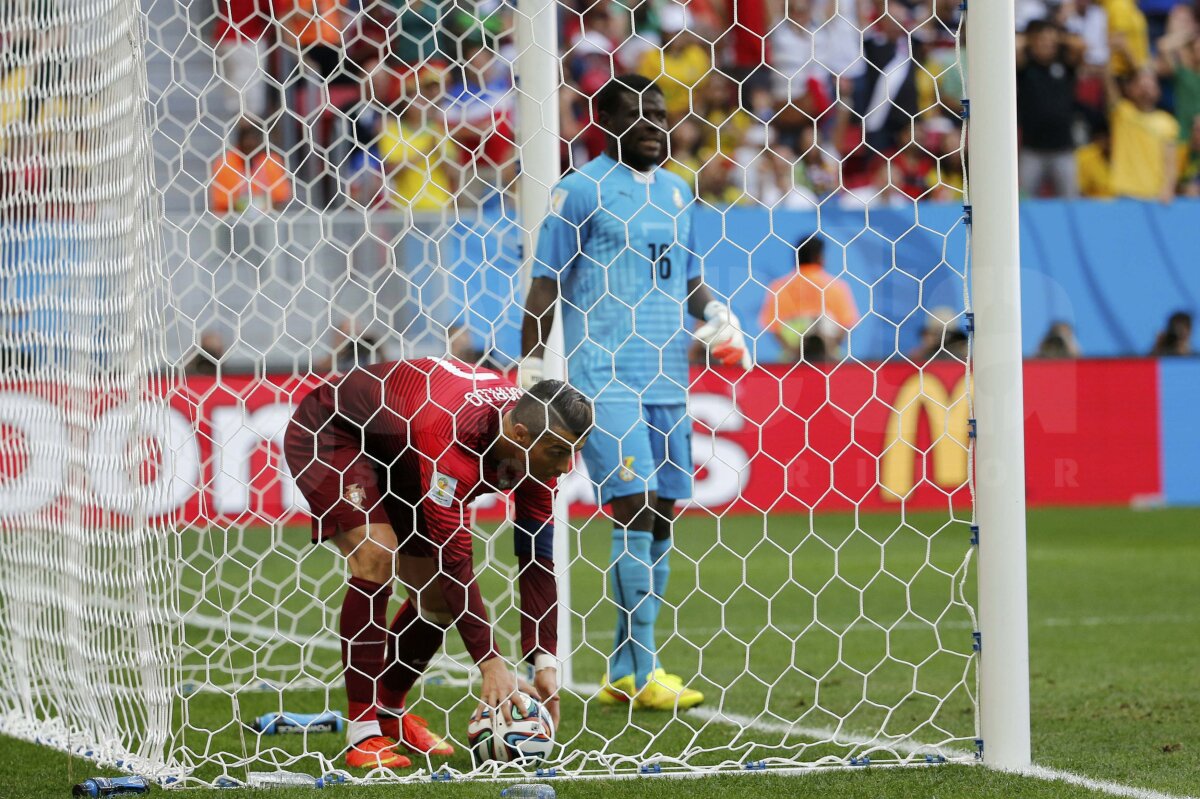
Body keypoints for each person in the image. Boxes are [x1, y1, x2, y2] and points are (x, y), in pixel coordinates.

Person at [519, 75, 751, 712]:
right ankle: (644, 670)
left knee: (664, 514)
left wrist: (719, 317)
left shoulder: (678, 193)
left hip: (667, 377)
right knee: (636, 502)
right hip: (603, 375)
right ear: (604, 123)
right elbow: (545, 285)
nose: (653, 123)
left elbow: (688, 279)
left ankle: (626, 669)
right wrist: (532, 367)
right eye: (637, 114)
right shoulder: (579, 191)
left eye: (659, 113)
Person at [283, 359, 591, 770]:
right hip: (334, 432)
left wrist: (544, 661)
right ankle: (363, 732)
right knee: (376, 553)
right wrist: (491, 663)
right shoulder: (452, 438)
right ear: (520, 435)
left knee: (438, 605)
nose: (567, 466)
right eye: (560, 452)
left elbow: (537, 557)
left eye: (575, 452)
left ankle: (390, 714)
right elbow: (455, 562)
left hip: (404, 452)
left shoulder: (538, 448)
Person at [759, 233, 860, 362]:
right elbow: (846, 325)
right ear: (820, 257)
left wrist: (792, 350)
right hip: (830, 355)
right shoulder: (836, 286)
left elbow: (773, 327)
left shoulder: (779, 286)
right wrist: (831, 347)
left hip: (791, 357)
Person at [1016, 19, 1085, 198]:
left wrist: (1057, 37)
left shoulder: (1064, 65)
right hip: (1032, 150)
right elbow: (1015, 46)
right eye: (1042, 40)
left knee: (1071, 202)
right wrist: (1033, 38)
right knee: (1023, 202)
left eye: (1050, 40)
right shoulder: (1025, 66)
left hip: (1063, 149)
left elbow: (1080, 46)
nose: (1047, 44)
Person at [1108, 68, 1180, 202]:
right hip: (1125, 193)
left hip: (1155, 194)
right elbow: (1109, 86)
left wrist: (1168, 188)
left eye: (1150, 86)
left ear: (1158, 91)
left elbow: (1170, 161)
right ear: (1130, 90)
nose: (1146, 90)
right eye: (1141, 85)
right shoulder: (1122, 113)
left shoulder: (1168, 122)